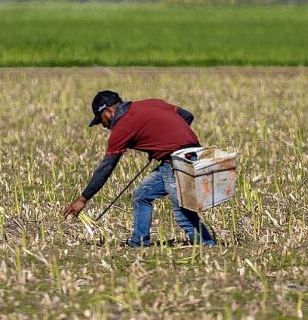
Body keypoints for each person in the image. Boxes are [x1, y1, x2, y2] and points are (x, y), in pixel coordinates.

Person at [62, 90, 217, 247]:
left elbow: (107, 166)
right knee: (142, 194)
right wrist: (164, 140)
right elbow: (187, 116)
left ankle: (207, 245)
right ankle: (139, 243)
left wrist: (83, 199)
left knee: (183, 212)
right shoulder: (152, 103)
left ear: (108, 112)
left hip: (177, 162)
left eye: (100, 120)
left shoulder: (122, 127)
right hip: (193, 155)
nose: (103, 125)